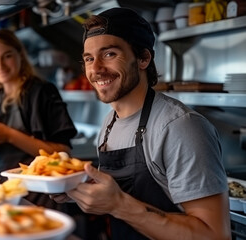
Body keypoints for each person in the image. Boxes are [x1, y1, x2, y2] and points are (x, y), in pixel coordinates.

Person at [53, 8, 231, 240]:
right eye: (89, 58)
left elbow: (215, 235)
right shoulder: (109, 123)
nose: (95, 69)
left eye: (109, 54)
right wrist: (75, 189)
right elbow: (114, 194)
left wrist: (118, 204)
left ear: (143, 58)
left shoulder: (180, 127)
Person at [0, 29, 77, 176]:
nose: (0, 65)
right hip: (6, 185)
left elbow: (63, 151)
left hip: (38, 189)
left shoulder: (42, 92)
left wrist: (9, 134)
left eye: (7, 56)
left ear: (20, 54)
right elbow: (1, 153)